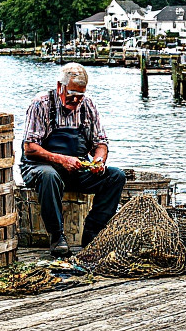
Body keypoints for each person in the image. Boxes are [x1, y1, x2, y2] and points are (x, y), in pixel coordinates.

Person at [20, 63, 126, 258]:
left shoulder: (88, 106)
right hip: (40, 167)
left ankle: (92, 234)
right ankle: (57, 237)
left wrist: (98, 161)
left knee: (116, 176)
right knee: (49, 176)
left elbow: (100, 143)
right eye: (72, 95)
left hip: (76, 169)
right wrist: (61, 159)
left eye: (80, 96)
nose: (76, 100)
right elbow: (30, 148)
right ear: (60, 87)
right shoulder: (41, 104)